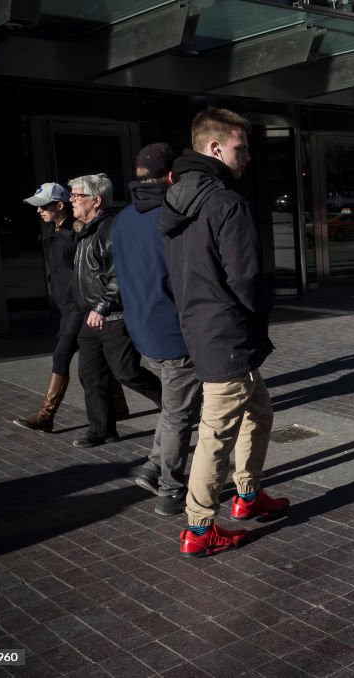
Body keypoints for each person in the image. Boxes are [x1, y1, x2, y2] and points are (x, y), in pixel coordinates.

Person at [160, 108, 289, 557]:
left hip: (203, 330)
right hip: (228, 335)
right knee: (216, 434)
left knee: (260, 411)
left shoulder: (178, 199)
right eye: (241, 147)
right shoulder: (226, 202)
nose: (248, 156)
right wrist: (262, 311)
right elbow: (246, 279)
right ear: (215, 148)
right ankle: (198, 527)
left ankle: (248, 496)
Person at [113, 143, 200, 517]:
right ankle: (170, 487)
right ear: (170, 177)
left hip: (142, 329)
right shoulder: (172, 217)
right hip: (174, 331)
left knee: (171, 406)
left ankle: (152, 466)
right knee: (180, 414)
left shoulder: (122, 219)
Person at [69, 174, 162, 448]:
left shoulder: (109, 228)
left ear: (95, 200)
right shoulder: (86, 229)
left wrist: (102, 305)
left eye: (76, 196)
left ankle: (176, 404)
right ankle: (102, 429)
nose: (70, 200)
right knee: (90, 375)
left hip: (112, 315)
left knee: (126, 372)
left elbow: (120, 273)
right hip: (90, 317)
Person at [13, 183, 84, 432]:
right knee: (108, 364)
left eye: (43, 206)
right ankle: (119, 406)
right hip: (67, 309)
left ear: (60, 205)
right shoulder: (53, 234)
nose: (39, 211)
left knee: (61, 355)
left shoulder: (74, 234)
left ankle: (46, 415)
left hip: (79, 308)